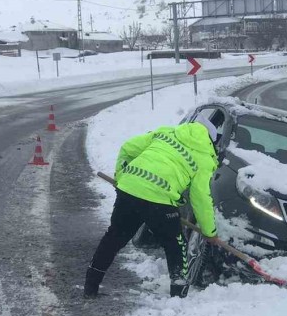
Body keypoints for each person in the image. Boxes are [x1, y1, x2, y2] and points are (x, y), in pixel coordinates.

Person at [84, 119, 224, 299]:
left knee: (114, 237)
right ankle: (178, 296)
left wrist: (121, 177)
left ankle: (90, 286)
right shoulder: (204, 157)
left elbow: (127, 148)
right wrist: (209, 231)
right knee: (175, 244)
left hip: (129, 190)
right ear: (211, 141)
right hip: (160, 199)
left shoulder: (165, 134)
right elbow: (201, 197)